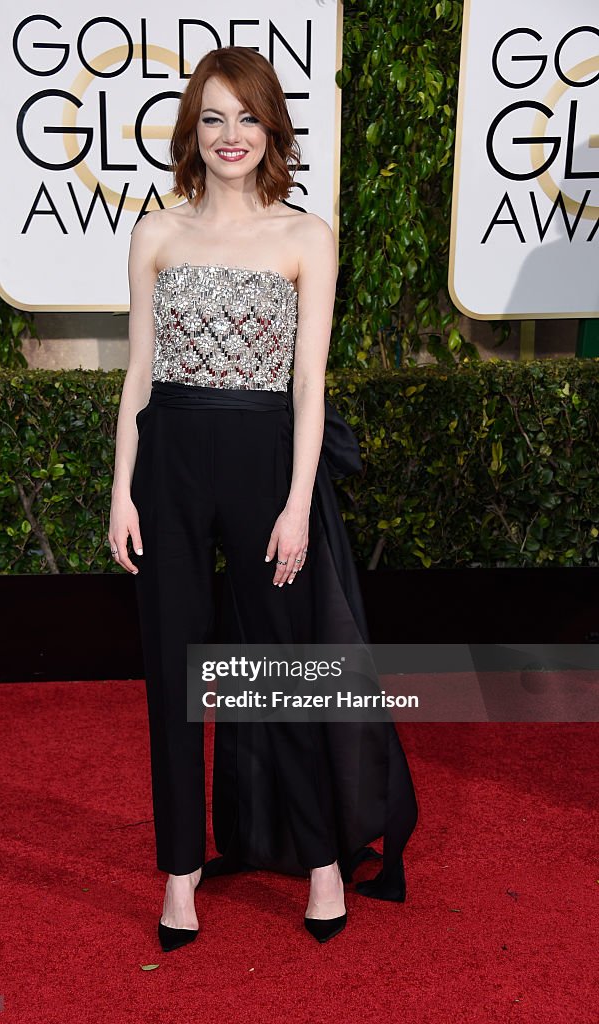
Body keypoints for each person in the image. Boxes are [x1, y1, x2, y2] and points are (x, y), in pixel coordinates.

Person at [108, 46, 417, 950]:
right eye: (212, 118)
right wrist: (119, 492)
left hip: (263, 465)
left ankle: (321, 859)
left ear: (271, 126)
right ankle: (180, 873)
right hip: (167, 461)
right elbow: (136, 376)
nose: (230, 135)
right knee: (173, 676)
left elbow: (310, 386)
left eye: (246, 117)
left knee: (279, 672)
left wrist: (294, 503)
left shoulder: (304, 236)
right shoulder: (156, 232)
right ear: (191, 133)